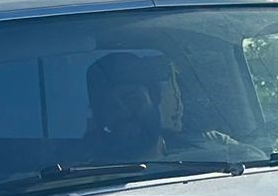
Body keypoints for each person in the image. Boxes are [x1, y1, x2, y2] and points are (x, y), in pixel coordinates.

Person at [83, 51, 258, 162]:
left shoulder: (213, 144)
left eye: (133, 100)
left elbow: (261, 167)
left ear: (155, 98)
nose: (124, 113)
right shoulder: (80, 175)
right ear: (97, 115)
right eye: (110, 107)